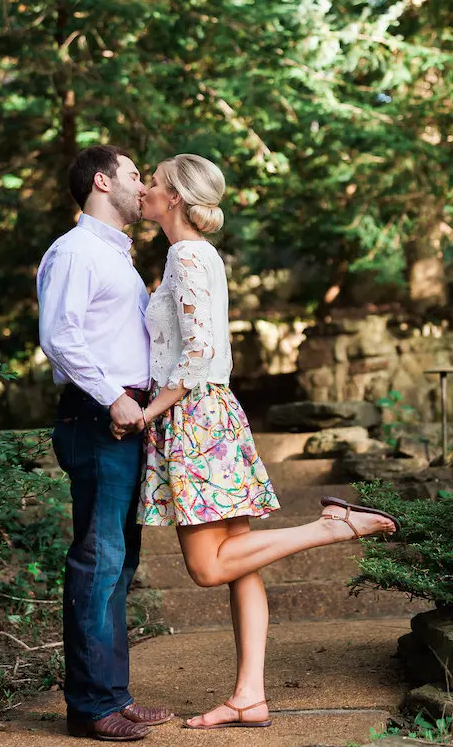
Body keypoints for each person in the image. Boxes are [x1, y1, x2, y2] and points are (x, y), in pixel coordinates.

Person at [111, 153, 399, 731]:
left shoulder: (187, 255)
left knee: (207, 568)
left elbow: (194, 354)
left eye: (155, 181)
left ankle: (333, 525)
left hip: (193, 416)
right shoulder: (191, 256)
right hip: (208, 412)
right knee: (240, 567)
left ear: (175, 198)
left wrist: (150, 411)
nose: (143, 187)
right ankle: (249, 697)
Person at [37, 145, 173, 741]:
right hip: (97, 419)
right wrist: (113, 399)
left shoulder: (116, 255)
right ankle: (92, 707)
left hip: (127, 417)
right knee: (100, 560)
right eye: (134, 174)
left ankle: (111, 695)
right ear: (101, 181)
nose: (142, 185)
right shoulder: (75, 252)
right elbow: (60, 337)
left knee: (120, 563)